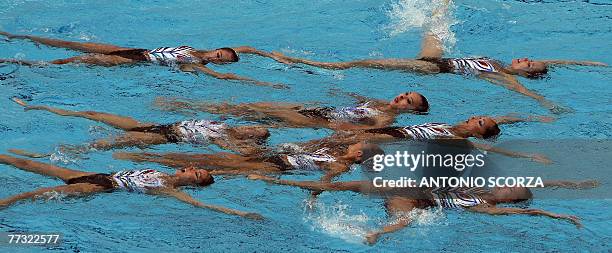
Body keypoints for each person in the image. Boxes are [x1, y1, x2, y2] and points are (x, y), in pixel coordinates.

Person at [262, 0, 607, 113]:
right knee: (437, 20)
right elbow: (557, 63)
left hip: (429, 69)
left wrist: (547, 105)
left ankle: (309, 63)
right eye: (530, 58)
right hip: (437, 59)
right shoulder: (502, 64)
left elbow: (522, 92)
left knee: (362, 63)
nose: (526, 58)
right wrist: (590, 63)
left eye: (529, 64)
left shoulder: (501, 75)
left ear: (525, 73)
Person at [247, 174, 598, 244]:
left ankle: (377, 235)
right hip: (411, 193)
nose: (503, 186)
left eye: (509, 190)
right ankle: (307, 187)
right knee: (363, 185)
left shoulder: (485, 208)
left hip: (415, 204)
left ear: (508, 201)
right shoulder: (479, 188)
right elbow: (537, 182)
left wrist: (558, 215)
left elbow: (529, 212)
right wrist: (575, 184)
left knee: (411, 215)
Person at [0, 154, 263, 220]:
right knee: (27, 164)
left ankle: (4, 203)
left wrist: (239, 213)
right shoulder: (160, 171)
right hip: (99, 174)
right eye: (197, 168)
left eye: (197, 174)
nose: (193, 168)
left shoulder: (168, 189)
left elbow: (201, 205)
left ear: (192, 183)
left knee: (38, 194)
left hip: (101, 187)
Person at [0, 31, 286, 88]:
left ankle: (19, 64)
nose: (217, 58)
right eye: (221, 53)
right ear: (219, 47)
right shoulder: (195, 48)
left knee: (76, 59)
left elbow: (223, 77)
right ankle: (13, 35)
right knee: (69, 43)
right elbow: (246, 46)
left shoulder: (196, 65)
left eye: (221, 60)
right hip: (136, 48)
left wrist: (263, 84)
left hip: (134, 62)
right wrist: (269, 54)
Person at [11, 98, 270, 156]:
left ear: (251, 138)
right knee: (95, 113)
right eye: (254, 126)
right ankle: (37, 107)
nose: (251, 127)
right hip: (157, 125)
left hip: (164, 139)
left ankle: (53, 153)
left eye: (255, 132)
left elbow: (246, 154)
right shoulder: (223, 124)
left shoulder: (226, 141)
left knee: (107, 144)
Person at [154, 91, 429, 130]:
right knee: (253, 106)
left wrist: (332, 128)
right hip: (318, 109)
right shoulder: (378, 103)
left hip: (320, 120)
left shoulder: (386, 119)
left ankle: (190, 114)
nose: (401, 98)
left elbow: (360, 133)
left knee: (256, 114)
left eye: (408, 101)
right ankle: (190, 106)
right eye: (405, 94)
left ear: (412, 112)